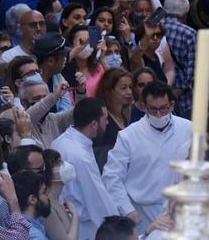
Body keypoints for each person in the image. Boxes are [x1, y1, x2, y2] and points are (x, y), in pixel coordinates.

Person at [101, 82, 189, 233]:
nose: (159, 114)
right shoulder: (128, 136)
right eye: (153, 109)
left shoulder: (188, 129)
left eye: (163, 108)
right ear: (143, 106)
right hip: (142, 213)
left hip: (179, 211)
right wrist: (127, 209)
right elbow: (111, 176)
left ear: (172, 105)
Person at [52, 98, 117, 239]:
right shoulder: (80, 156)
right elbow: (97, 198)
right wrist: (118, 227)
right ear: (94, 124)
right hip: (83, 226)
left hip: (68, 219)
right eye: (105, 119)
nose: (107, 123)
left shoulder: (60, 141)